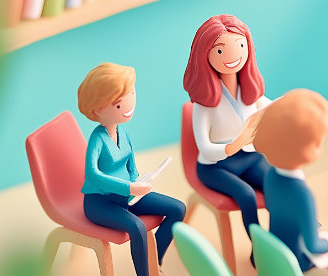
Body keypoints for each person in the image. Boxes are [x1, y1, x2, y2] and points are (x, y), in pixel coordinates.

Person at [78, 63, 185, 276]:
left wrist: (140, 181)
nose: (128, 104)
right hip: (101, 203)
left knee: (177, 209)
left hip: (128, 196)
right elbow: (93, 175)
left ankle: (156, 262)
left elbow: (130, 164)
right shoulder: (97, 139)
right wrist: (129, 187)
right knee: (136, 227)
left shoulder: (123, 132)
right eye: (118, 104)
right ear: (98, 109)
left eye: (132, 92)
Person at [182, 14, 273, 238]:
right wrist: (230, 147)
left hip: (250, 157)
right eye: (220, 51)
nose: (233, 56)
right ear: (206, 55)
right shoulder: (204, 104)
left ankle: (290, 233)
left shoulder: (249, 91)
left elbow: (271, 108)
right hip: (215, 166)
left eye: (241, 45)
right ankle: (258, 246)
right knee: (246, 195)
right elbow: (204, 147)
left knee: (276, 183)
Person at [254, 89, 328, 271]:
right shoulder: (302, 194)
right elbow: (313, 246)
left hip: (273, 254)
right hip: (296, 261)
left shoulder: (270, 176)